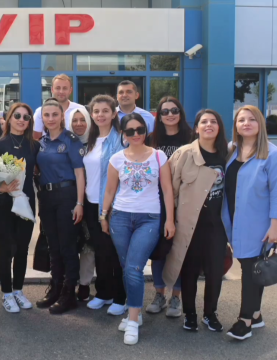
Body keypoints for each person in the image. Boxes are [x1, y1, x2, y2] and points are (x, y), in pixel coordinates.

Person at [100, 113, 176, 345]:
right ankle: (137, 313)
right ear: (123, 133)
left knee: (134, 267)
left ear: (146, 131)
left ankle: (132, 321)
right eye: (130, 131)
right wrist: (104, 216)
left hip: (149, 219)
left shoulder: (158, 155)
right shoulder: (116, 158)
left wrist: (169, 220)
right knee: (127, 268)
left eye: (139, 130)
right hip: (120, 217)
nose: (135, 134)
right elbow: (110, 191)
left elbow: (167, 189)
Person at [223, 105, 277, 341]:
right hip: (233, 221)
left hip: (257, 223)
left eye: (251, 119)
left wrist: (275, 226)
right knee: (252, 268)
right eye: (241, 120)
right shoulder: (231, 150)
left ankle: (245, 321)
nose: (246, 123)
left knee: (250, 271)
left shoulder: (272, 154)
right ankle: (257, 314)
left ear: (260, 124)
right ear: (236, 126)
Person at [163, 109, 229, 332]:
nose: (208, 125)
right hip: (189, 224)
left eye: (213, 121)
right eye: (204, 121)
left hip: (217, 226)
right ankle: (189, 314)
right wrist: (169, 221)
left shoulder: (227, 154)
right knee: (189, 270)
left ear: (219, 127)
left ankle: (210, 314)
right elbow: (169, 190)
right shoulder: (184, 154)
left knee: (214, 272)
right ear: (197, 127)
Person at [35, 99, 85, 315]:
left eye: (55, 114)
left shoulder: (71, 140)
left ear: (62, 116)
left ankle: (68, 293)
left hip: (67, 195)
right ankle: (55, 288)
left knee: (67, 246)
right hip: (46, 196)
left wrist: (79, 203)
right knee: (52, 245)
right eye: (47, 115)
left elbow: (80, 173)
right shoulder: (42, 141)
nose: (51, 119)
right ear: (43, 118)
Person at [144, 96, 192, 317]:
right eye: (165, 111)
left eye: (174, 110)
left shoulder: (192, 138)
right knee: (159, 250)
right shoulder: (151, 139)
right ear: (159, 116)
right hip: (158, 202)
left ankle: (176, 298)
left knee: (180, 250)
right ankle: (160, 294)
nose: (170, 114)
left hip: (185, 202)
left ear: (180, 113)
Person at [80, 95, 127, 316]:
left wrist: (108, 209)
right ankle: (103, 292)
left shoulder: (121, 140)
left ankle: (120, 296)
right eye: (96, 111)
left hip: (112, 204)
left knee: (114, 251)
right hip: (91, 203)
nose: (100, 115)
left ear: (114, 113)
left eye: (105, 111)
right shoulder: (89, 139)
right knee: (100, 250)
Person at [0, 103, 39, 313]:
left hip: (26, 203)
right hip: (4, 205)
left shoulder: (34, 145)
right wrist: (1, 188)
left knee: (22, 249)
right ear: (9, 118)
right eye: (17, 116)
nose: (21, 120)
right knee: (7, 248)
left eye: (26, 117)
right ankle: (7, 293)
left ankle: (18, 289)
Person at [65, 108, 93, 300]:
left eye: (83, 119)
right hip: (69, 198)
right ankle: (68, 282)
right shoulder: (66, 141)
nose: (79, 124)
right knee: (69, 243)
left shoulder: (96, 142)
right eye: (74, 120)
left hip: (91, 199)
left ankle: (84, 283)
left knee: (88, 245)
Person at [33, 74, 86, 140]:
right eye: (58, 88)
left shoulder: (80, 109)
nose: (61, 91)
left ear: (70, 90)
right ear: (52, 89)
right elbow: (36, 138)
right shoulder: (40, 111)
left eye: (65, 88)